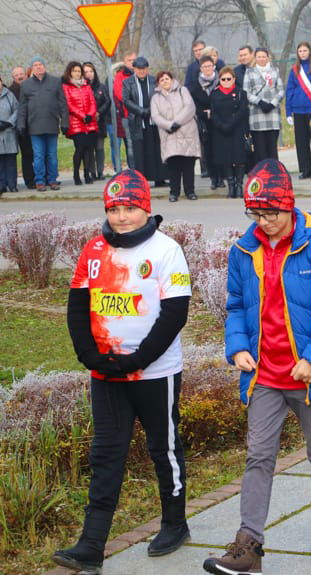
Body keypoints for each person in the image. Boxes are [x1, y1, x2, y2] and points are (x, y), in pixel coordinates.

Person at [204, 159, 311, 575]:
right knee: (258, 456)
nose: (263, 222)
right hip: (264, 376)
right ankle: (248, 545)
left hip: (307, 373)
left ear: (289, 206)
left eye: (270, 212)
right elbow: (236, 305)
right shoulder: (244, 249)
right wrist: (236, 348)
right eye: (255, 213)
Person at [52, 169, 192, 573]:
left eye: (130, 208)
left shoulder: (166, 251)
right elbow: (78, 306)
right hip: (106, 374)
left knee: (162, 449)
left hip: (154, 372)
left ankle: (174, 522)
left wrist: (137, 360)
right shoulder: (93, 250)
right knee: (106, 455)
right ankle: (91, 545)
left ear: (146, 208)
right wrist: (89, 356)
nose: (122, 217)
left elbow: (174, 314)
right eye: (114, 209)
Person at [16, 57, 67, 191]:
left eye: (40, 64)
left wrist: (65, 122)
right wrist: (20, 124)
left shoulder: (55, 82)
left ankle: (52, 179)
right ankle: (39, 180)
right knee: (38, 155)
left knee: (52, 155)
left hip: (51, 124)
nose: (38, 67)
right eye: (35, 65)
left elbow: (62, 104)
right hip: (35, 127)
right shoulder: (26, 85)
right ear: (32, 68)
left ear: (45, 66)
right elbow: (22, 107)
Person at [151, 71, 201, 202]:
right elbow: (156, 116)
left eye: (167, 79)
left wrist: (177, 122)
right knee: (174, 166)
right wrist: (169, 125)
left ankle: (190, 191)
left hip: (187, 132)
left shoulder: (183, 91)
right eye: (161, 80)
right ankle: (174, 192)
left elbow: (190, 108)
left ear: (172, 80)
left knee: (188, 166)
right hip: (169, 135)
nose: (165, 81)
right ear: (158, 83)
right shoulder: (156, 98)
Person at [122, 57, 168, 186]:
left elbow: (161, 95)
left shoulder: (154, 80)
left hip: (155, 120)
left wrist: (153, 110)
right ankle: (141, 181)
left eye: (144, 69)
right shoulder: (128, 82)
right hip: (138, 121)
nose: (141, 71)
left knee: (157, 150)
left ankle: (160, 179)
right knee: (140, 152)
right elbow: (126, 100)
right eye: (139, 69)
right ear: (134, 69)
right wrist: (142, 111)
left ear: (147, 69)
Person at [285, 42, 311, 179]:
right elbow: (289, 90)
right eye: (300, 51)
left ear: (310, 52)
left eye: (304, 50)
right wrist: (288, 111)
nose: (302, 53)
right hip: (298, 110)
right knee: (301, 142)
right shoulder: (295, 69)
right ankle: (305, 169)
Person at [210, 67, 250, 199]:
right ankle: (231, 185)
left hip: (237, 128)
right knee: (226, 159)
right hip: (221, 130)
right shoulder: (215, 94)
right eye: (223, 79)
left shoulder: (240, 92)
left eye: (229, 79)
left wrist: (231, 123)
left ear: (233, 79)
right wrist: (222, 125)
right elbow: (213, 113)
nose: (226, 81)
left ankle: (239, 185)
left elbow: (243, 111)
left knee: (239, 159)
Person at [244, 48, 284, 164]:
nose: (261, 59)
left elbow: (281, 90)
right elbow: (246, 92)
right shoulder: (250, 72)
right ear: (255, 58)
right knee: (260, 149)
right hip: (257, 116)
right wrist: (259, 102)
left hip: (273, 116)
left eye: (263, 56)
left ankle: (274, 173)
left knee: (272, 148)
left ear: (268, 57)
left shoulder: (274, 71)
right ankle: (262, 173)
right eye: (259, 57)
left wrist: (272, 103)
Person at [61, 61, 99, 185]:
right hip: (76, 122)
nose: (77, 73)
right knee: (80, 149)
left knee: (89, 149)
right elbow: (69, 105)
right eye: (74, 71)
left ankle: (87, 174)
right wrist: (82, 116)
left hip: (90, 122)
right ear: (70, 72)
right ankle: (76, 175)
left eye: (79, 71)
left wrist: (90, 115)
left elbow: (92, 102)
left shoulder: (86, 86)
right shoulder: (66, 86)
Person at [188, 55, 221, 190]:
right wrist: (203, 113)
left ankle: (222, 178)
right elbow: (193, 104)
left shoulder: (221, 80)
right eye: (204, 66)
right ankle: (213, 178)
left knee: (220, 150)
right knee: (208, 152)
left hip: (219, 120)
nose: (207, 69)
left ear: (214, 67)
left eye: (209, 66)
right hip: (204, 123)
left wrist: (213, 110)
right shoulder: (195, 85)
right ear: (200, 68)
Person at [84, 62, 113, 179]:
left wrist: (99, 112)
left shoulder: (102, 87)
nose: (88, 74)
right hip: (86, 122)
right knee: (89, 149)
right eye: (86, 72)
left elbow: (107, 101)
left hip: (99, 122)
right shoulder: (81, 88)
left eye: (91, 71)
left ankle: (100, 172)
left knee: (99, 148)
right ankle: (92, 172)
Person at [10, 66, 34, 189]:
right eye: (17, 75)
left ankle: (40, 178)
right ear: (13, 77)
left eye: (21, 74)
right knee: (27, 154)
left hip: (34, 125)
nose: (20, 76)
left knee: (37, 154)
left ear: (25, 74)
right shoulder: (10, 91)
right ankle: (29, 180)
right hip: (20, 128)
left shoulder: (31, 87)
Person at [114, 52, 136, 170]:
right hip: (127, 115)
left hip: (143, 115)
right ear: (124, 62)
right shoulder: (120, 76)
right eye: (129, 60)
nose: (132, 62)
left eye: (134, 59)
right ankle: (133, 170)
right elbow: (120, 95)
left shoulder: (141, 73)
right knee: (130, 144)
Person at [0, 75, 18, 196]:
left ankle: (12, 185)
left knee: (11, 160)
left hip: (9, 132)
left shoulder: (9, 95)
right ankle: (2, 185)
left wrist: (8, 123)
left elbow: (17, 110)